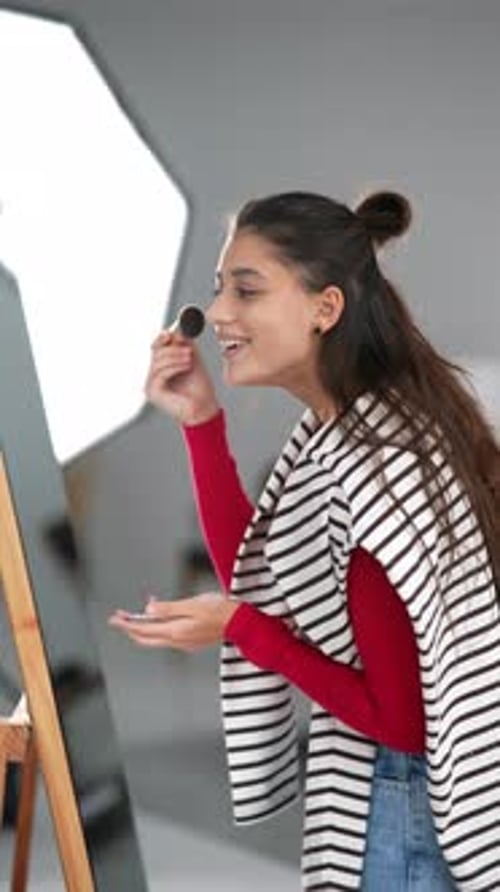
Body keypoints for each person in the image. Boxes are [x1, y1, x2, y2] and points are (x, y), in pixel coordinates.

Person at [109, 190, 500, 891]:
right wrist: (201, 421)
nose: (220, 314)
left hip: (404, 815)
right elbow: (259, 573)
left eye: (247, 290)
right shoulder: (350, 431)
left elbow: (404, 720)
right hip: (401, 803)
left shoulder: (373, 467)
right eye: (219, 289)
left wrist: (241, 627)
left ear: (325, 309)